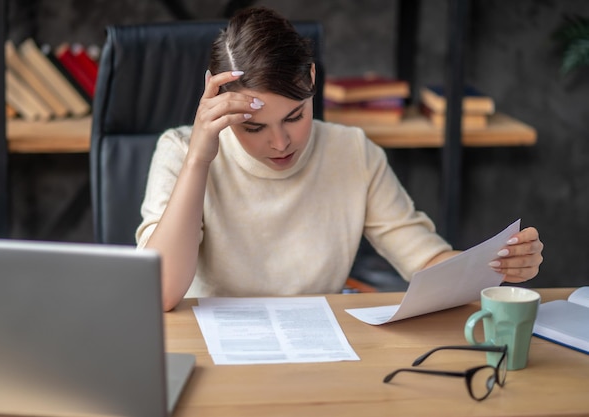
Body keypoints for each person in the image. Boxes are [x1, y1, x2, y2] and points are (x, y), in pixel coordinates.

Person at [136, 7, 544, 311]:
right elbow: (158, 294)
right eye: (254, 128)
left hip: (316, 346)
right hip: (210, 347)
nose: (280, 143)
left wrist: (497, 268)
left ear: (312, 80)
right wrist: (199, 161)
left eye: (294, 116)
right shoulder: (179, 152)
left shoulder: (353, 152)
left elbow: (426, 260)